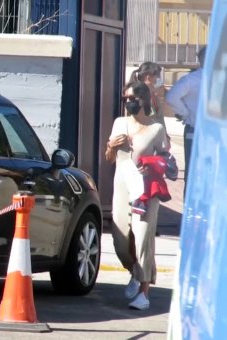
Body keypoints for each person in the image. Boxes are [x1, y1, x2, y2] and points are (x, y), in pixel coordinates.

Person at [105, 81, 170, 311]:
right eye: (126, 100)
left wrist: (151, 164)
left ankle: (144, 292)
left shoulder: (156, 128)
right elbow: (110, 158)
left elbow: (165, 157)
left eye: (133, 99)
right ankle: (135, 269)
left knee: (143, 237)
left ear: (143, 100)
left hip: (145, 187)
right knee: (121, 238)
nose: (129, 103)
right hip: (122, 182)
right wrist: (113, 145)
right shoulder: (119, 123)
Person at [165, 46, 206, 195]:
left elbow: (171, 97)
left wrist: (185, 113)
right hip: (219, 133)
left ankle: (189, 212)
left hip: (194, 131)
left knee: (192, 172)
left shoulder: (191, 79)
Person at [124, 62, 169, 128]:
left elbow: (159, 118)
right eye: (158, 76)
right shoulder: (136, 96)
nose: (159, 80)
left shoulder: (153, 96)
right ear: (148, 77)